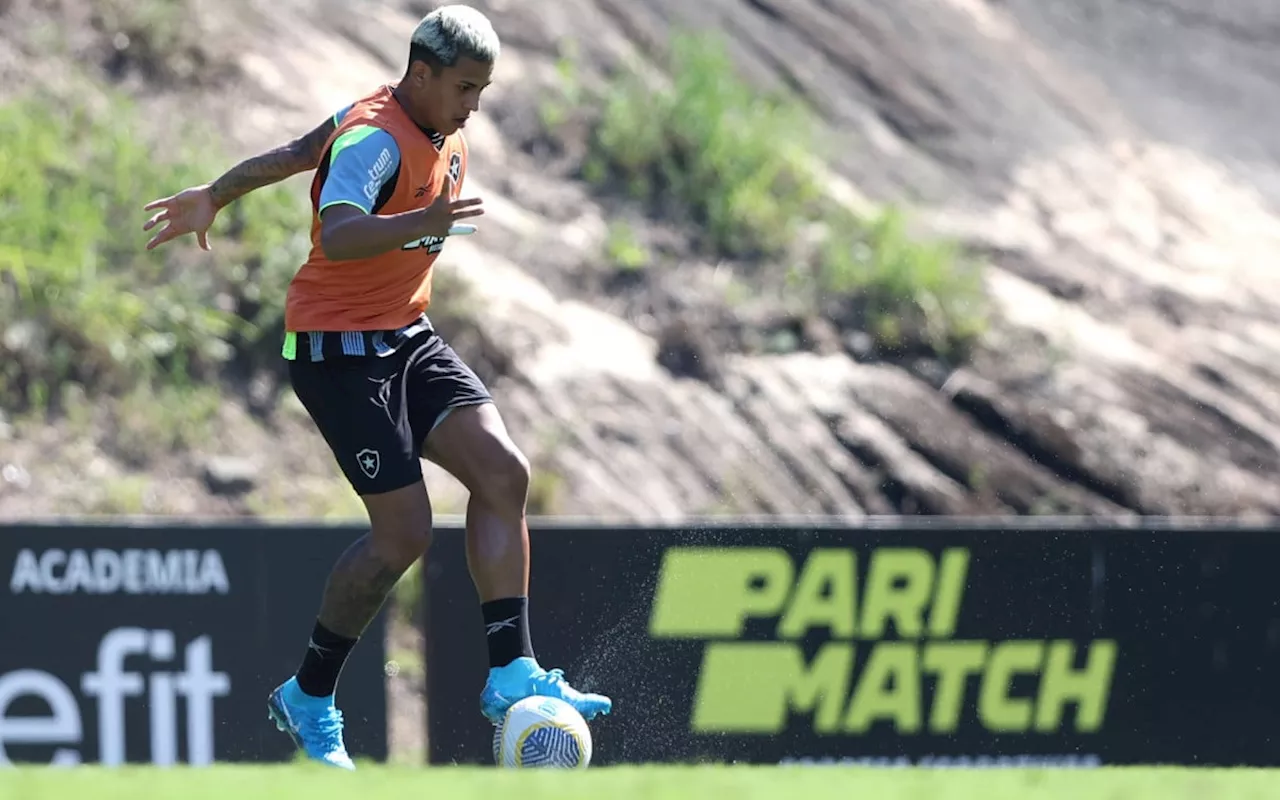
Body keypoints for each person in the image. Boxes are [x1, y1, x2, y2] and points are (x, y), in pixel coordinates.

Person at [141, 4, 610, 771]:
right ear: (419, 74)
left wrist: (217, 194)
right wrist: (417, 221)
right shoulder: (375, 138)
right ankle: (309, 694)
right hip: (337, 351)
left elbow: (298, 149)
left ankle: (511, 671)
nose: (473, 106)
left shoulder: (429, 123)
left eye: (482, 90)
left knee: (503, 473)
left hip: (405, 333)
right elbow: (343, 228)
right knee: (405, 534)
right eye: (465, 88)